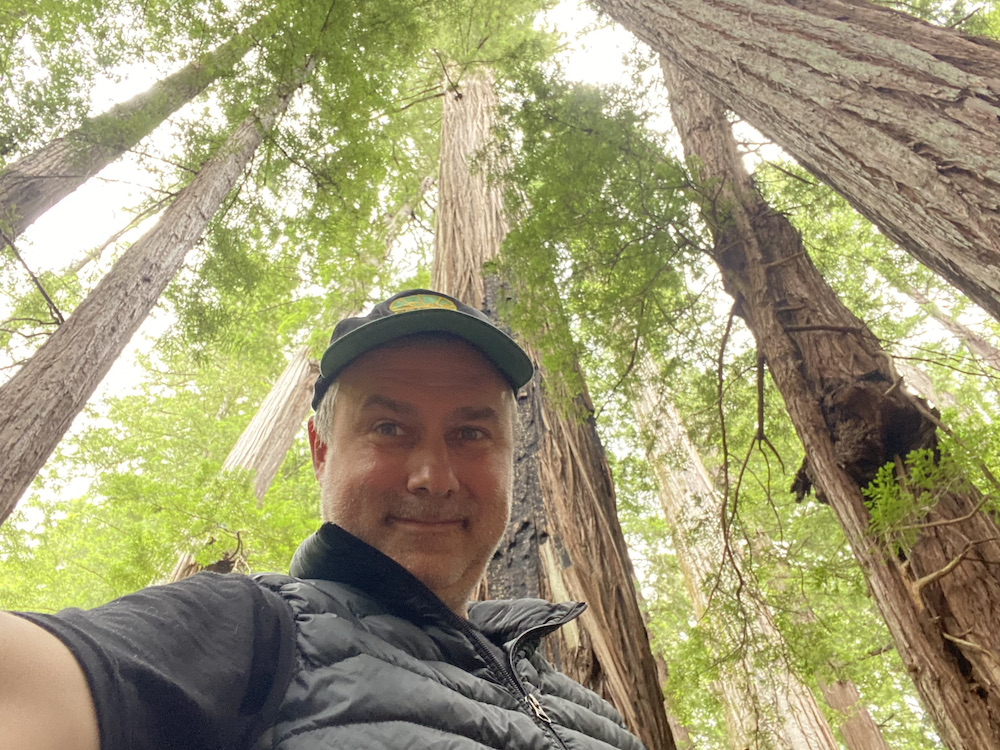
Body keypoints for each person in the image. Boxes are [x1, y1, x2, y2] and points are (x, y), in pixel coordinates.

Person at [0, 289, 645, 750]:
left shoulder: (601, 719)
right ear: (320, 451)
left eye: (471, 433)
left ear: (510, 459)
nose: (433, 475)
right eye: (388, 428)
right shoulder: (251, 633)